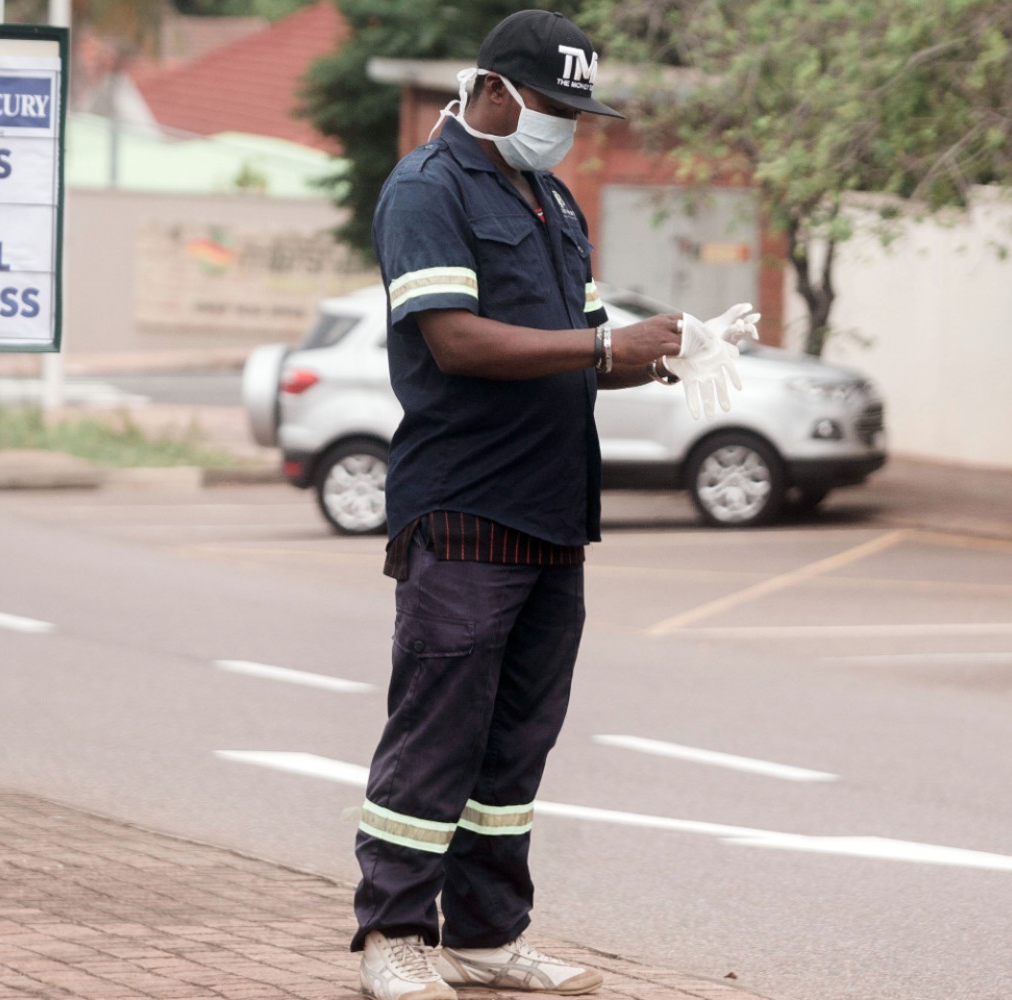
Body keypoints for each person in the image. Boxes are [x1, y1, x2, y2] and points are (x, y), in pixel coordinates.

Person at [350, 11, 689, 999]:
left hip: (552, 513)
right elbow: (456, 340)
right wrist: (599, 350)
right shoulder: (427, 189)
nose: (564, 130)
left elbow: (583, 354)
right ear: (492, 89)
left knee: (515, 742)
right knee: (435, 735)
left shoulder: (552, 199)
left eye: (576, 115)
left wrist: (664, 351)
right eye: (551, 107)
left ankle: (489, 935)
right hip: (462, 511)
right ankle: (394, 936)